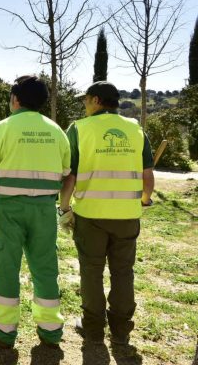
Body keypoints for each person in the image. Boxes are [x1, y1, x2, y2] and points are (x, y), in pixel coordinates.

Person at [0, 75, 70, 349]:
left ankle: (4, 330)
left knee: (6, 266)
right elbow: (65, 171)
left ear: (15, 99)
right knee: (45, 266)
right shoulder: (56, 130)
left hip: (9, 209)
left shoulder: (2, 128)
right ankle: (50, 329)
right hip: (44, 209)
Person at [59, 81, 154, 351]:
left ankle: (93, 330)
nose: (84, 105)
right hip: (127, 216)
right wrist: (144, 202)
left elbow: (70, 176)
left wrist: (65, 208)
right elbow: (148, 178)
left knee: (91, 272)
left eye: (86, 100)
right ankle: (121, 331)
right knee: (123, 272)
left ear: (97, 101)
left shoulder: (79, 129)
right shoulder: (136, 130)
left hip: (91, 216)